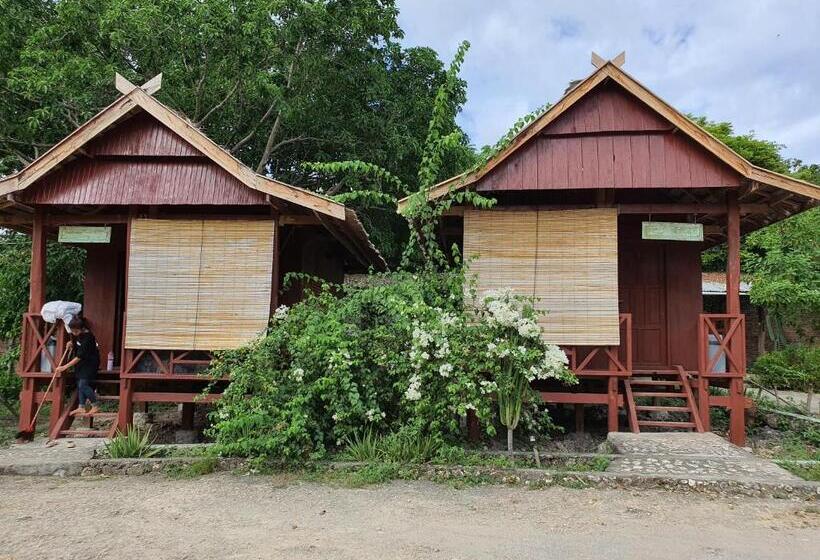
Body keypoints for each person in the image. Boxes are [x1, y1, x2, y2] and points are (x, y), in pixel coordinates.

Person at [56, 317, 101, 416]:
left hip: (90, 364)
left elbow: (79, 356)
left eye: (75, 331)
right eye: (72, 331)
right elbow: (77, 346)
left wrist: (65, 367)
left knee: (83, 385)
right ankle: (81, 407)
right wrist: (71, 344)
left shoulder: (88, 337)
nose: (74, 333)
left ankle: (95, 405)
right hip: (82, 365)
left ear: (81, 328)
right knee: (79, 384)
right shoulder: (78, 335)